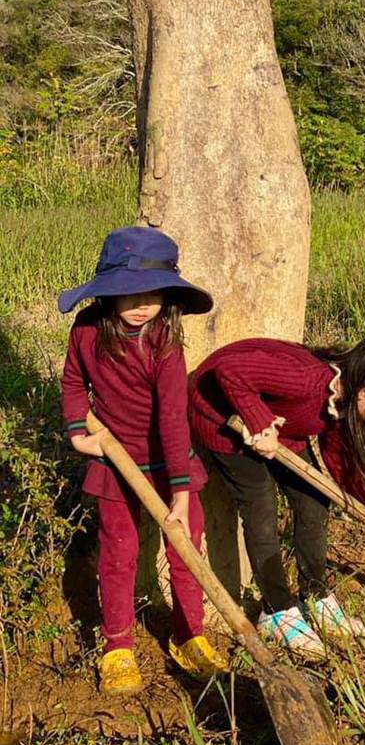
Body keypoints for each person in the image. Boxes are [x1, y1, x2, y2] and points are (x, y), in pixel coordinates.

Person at [59, 226, 226, 696]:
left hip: (169, 461)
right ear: (107, 293)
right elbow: (73, 383)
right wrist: (78, 432)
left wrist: (180, 492)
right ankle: (118, 645)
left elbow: (173, 418)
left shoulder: (165, 341)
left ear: (167, 295)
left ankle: (189, 635)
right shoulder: (87, 330)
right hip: (114, 460)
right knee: (119, 553)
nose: (140, 304)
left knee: (185, 550)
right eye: (128, 293)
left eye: (152, 294)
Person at [188, 333, 365, 656]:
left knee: (314, 498)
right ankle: (276, 611)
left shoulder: (343, 398)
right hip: (220, 415)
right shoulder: (306, 380)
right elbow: (229, 371)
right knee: (261, 505)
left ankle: (315, 595)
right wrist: (260, 423)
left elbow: (340, 452)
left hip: (280, 425)